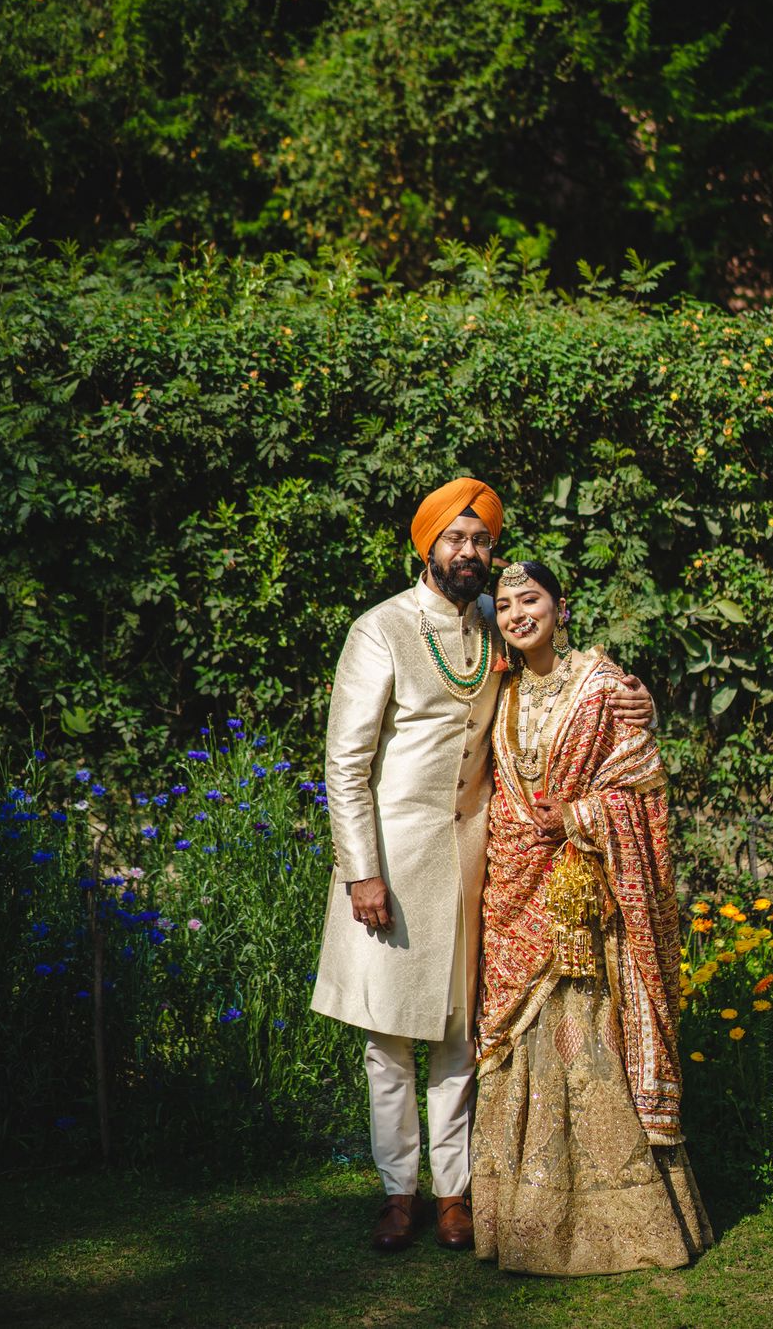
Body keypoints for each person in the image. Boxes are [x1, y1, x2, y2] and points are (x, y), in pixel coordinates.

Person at [310, 480, 654, 1253]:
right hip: (392, 862)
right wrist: (360, 869)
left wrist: (642, 701)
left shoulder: (497, 624)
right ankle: (399, 1192)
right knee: (390, 1038)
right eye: (456, 540)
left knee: (462, 1031)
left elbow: (570, 680)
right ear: (425, 545)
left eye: (481, 541)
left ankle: (454, 1191)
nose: (471, 553)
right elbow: (345, 760)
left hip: (478, 863)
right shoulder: (382, 630)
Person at [473, 560, 712, 1275]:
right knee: (524, 1051)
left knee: (590, 1041)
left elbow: (640, 779)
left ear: (561, 606)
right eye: (507, 605)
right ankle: (524, 1224)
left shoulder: (606, 686)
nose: (519, 614)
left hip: (587, 893)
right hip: (515, 895)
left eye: (532, 600)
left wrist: (580, 814)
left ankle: (627, 1223)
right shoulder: (500, 690)